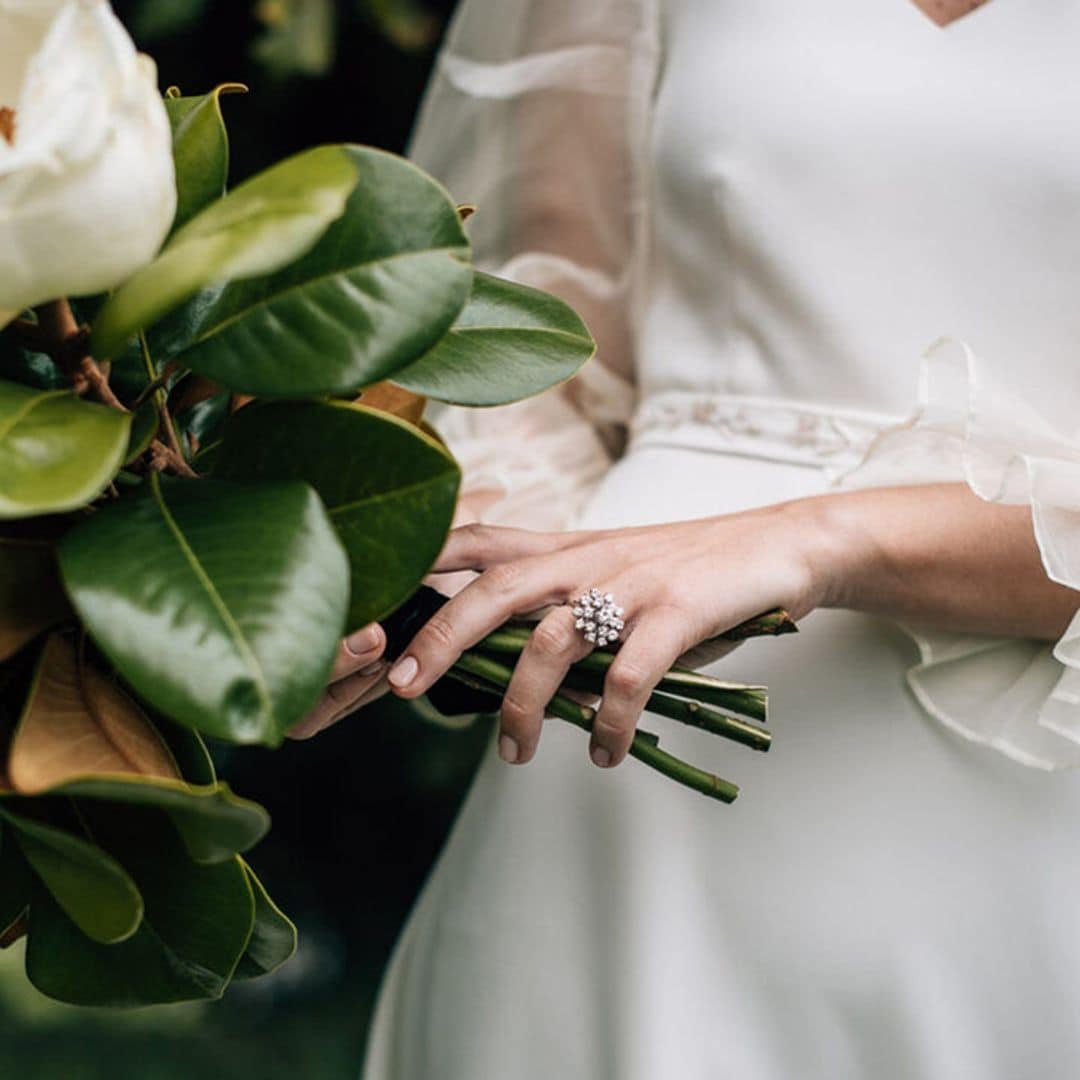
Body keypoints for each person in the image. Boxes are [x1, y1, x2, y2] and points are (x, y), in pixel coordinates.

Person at [296, 0, 1080, 1075]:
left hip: (1026, 772)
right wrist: (423, 583)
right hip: (616, 764)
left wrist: (818, 537)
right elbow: (540, 340)